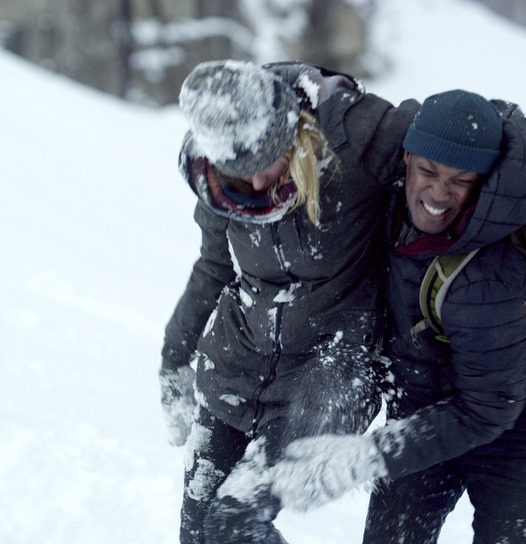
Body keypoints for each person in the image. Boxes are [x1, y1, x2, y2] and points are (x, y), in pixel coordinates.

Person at [271, 90, 526, 543]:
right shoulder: (390, 202)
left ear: (485, 180)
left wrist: (367, 456)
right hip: (421, 411)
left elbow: (486, 411)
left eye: (460, 181)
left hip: (515, 435)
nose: (438, 193)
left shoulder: (493, 278)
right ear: (407, 158)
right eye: (428, 172)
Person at [158, 60, 420, 544]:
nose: (256, 186)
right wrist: (173, 354)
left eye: (265, 166)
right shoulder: (216, 174)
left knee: (232, 524)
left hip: (329, 377)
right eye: (239, 176)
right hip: (234, 369)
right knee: (198, 534)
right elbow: (214, 267)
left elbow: (469, 135)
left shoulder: (358, 135)